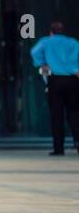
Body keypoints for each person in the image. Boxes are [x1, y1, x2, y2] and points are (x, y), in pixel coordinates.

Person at [30, 19, 79, 156]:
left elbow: (34, 52)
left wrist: (42, 64)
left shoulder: (46, 41)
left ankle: (59, 148)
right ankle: (78, 141)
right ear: (63, 32)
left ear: (51, 32)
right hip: (72, 80)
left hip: (55, 80)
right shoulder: (74, 43)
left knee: (56, 116)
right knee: (74, 113)